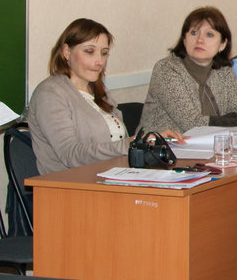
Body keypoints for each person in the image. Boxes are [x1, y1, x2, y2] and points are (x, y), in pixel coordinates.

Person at [26, 19, 178, 175]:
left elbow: (115, 145)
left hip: (114, 175)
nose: (99, 61)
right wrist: (129, 145)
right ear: (67, 52)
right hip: (73, 184)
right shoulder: (50, 93)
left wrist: (148, 142)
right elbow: (70, 154)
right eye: (89, 51)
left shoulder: (98, 90)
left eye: (104, 53)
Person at [138, 6, 237, 134]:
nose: (200, 40)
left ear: (222, 44)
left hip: (211, 144)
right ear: (184, 40)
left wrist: (229, 122)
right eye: (194, 33)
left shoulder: (223, 70)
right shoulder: (167, 70)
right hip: (162, 147)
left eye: (209, 34)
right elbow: (192, 123)